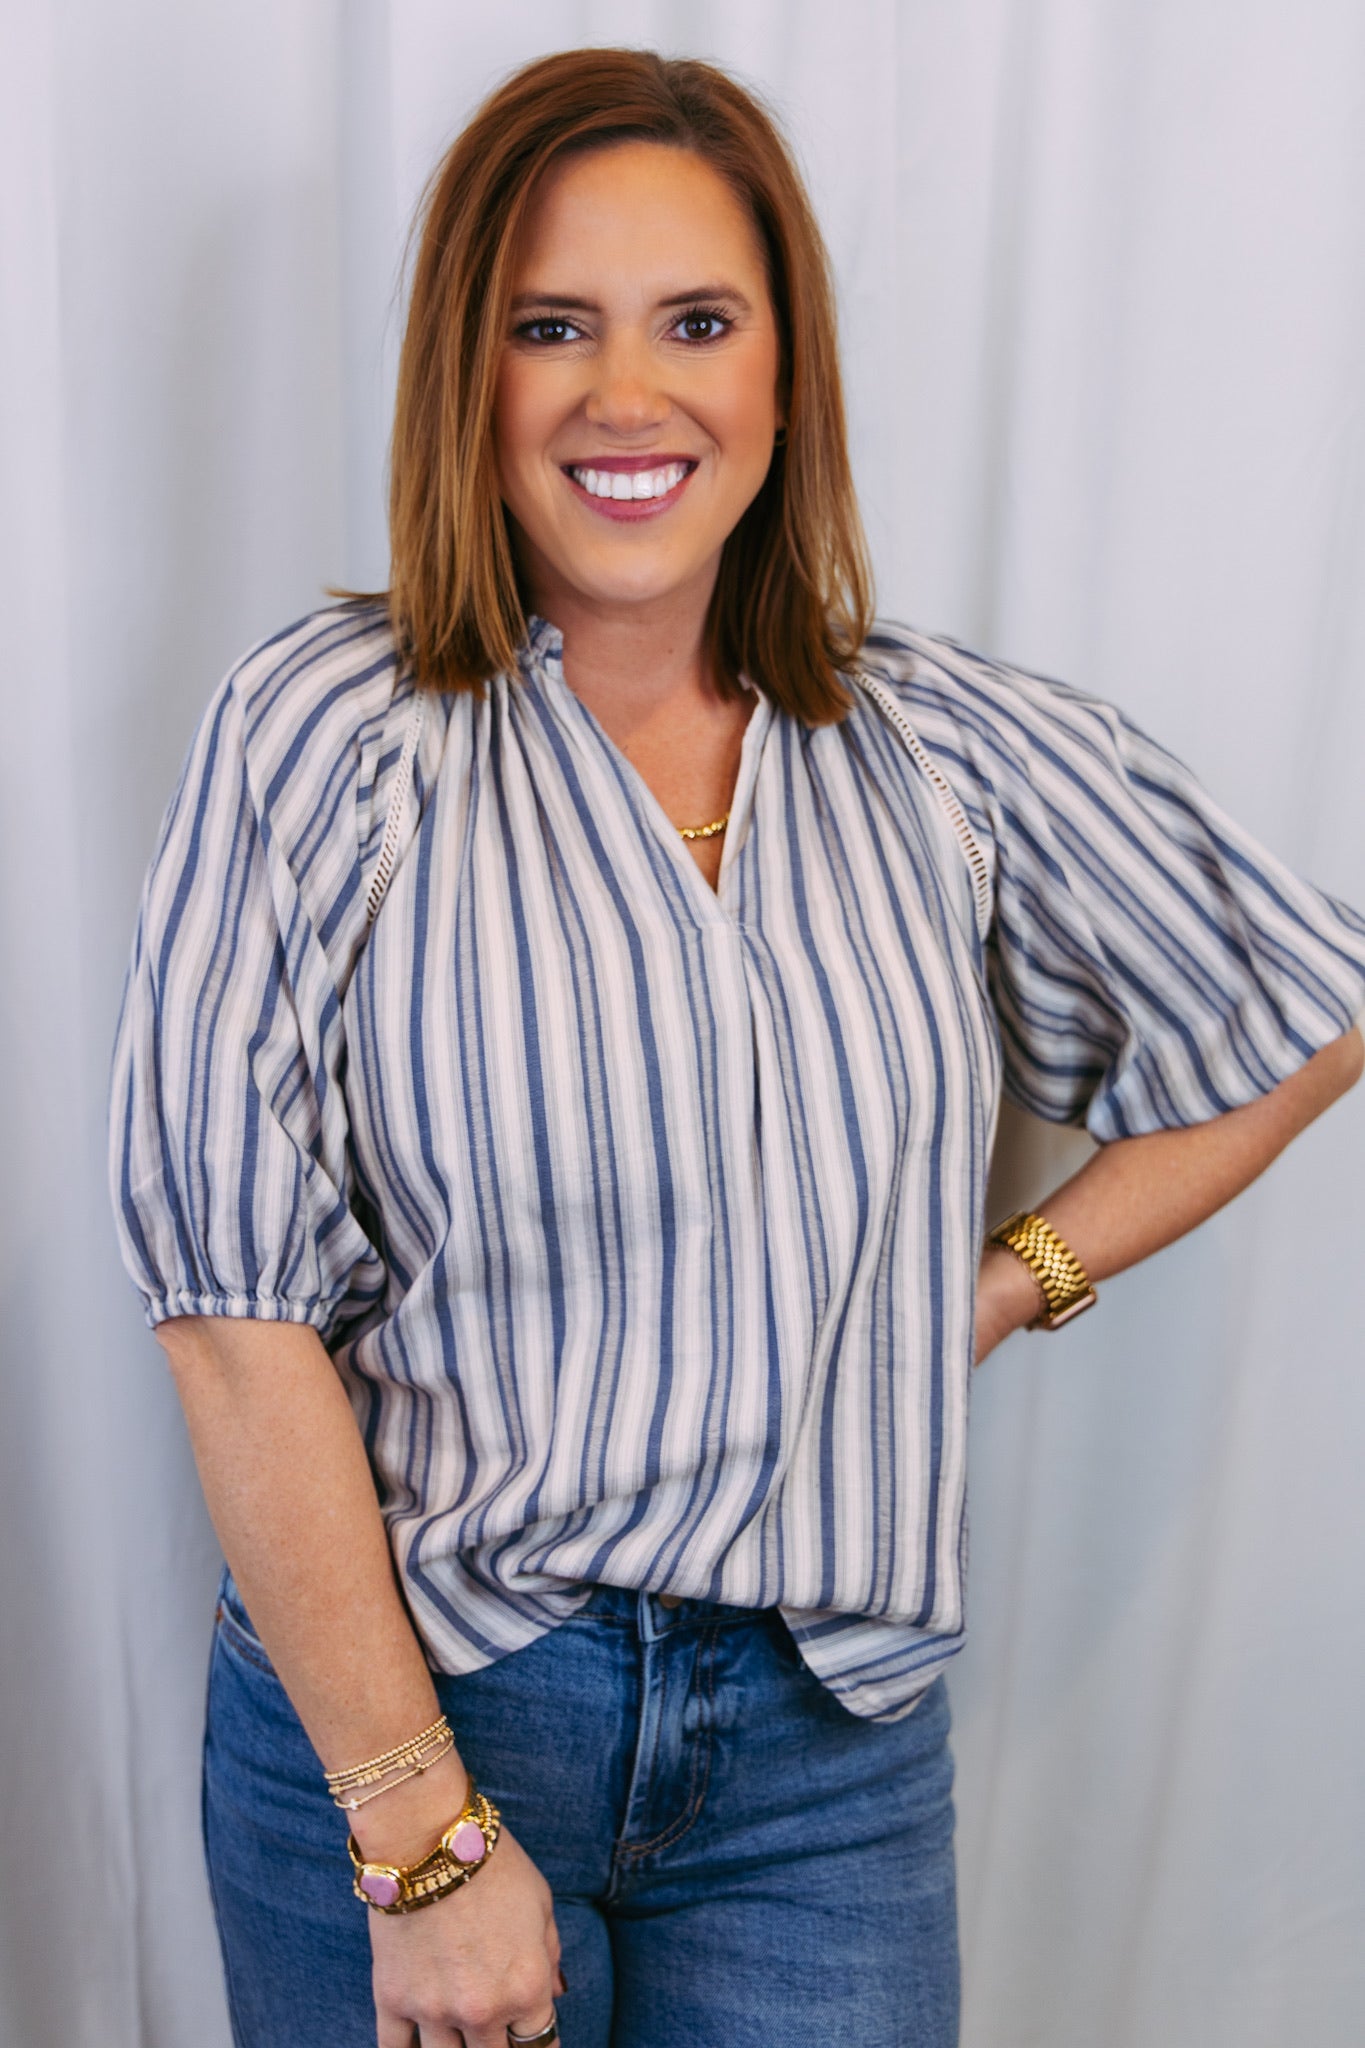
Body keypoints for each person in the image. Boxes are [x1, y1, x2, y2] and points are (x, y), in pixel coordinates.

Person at [109, 46, 1365, 2048]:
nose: (628, 395)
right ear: (470, 373)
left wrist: (1004, 1283)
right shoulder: (327, 732)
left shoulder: (935, 746)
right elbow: (227, 1306)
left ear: (781, 379)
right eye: (552, 327)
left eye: (695, 320)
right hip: (429, 1695)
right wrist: (419, 1838)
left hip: (824, 1760)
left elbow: (1294, 1008)